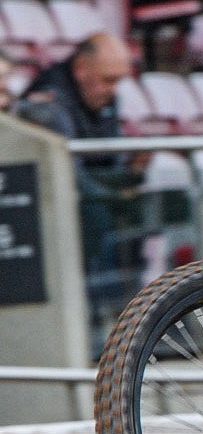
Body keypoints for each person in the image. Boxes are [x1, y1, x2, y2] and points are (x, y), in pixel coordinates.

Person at [16, 34, 149, 349]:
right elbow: (70, 178)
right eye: (107, 80)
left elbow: (110, 161)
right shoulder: (47, 105)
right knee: (99, 214)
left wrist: (131, 173)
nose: (113, 90)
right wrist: (117, 192)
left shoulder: (104, 97)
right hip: (64, 223)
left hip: (98, 213)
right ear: (80, 69)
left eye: (118, 81)